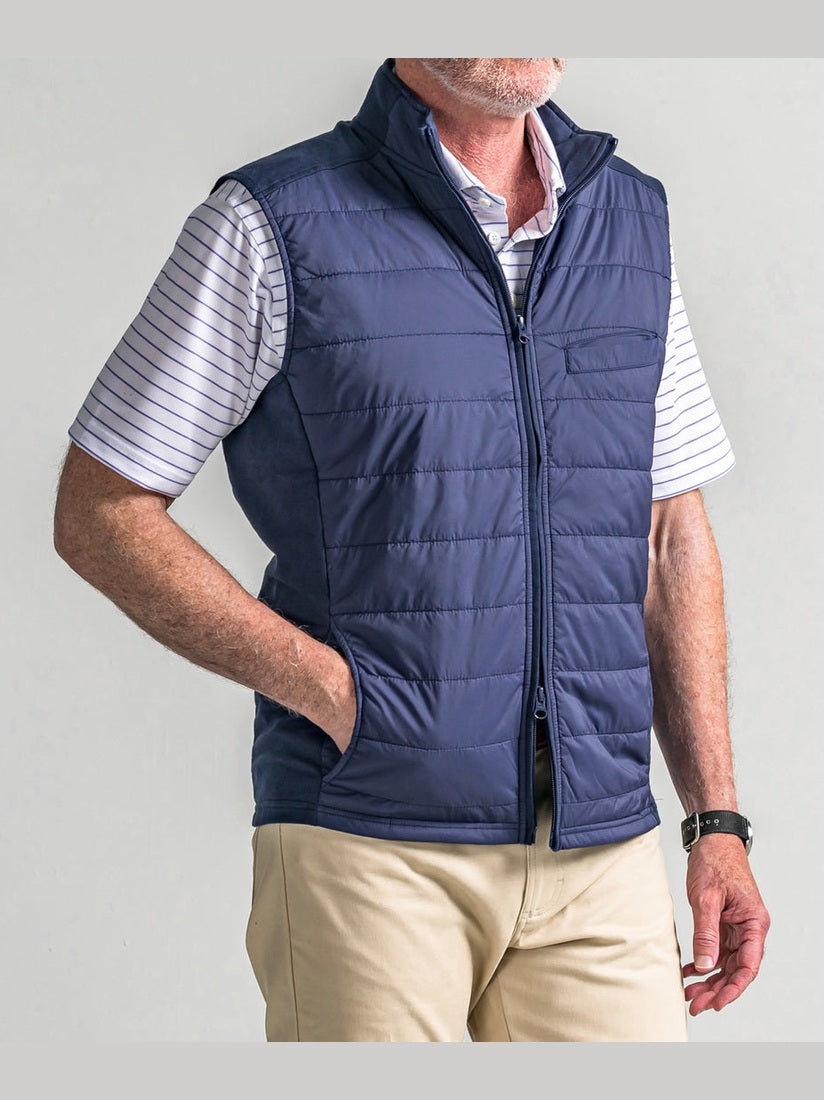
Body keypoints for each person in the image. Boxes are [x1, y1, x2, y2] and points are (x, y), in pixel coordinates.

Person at [53, 57, 770, 1042]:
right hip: (368, 838)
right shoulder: (272, 222)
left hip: (599, 844)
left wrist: (715, 822)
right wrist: (335, 695)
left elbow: (667, 534)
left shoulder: (628, 220)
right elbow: (101, 509)